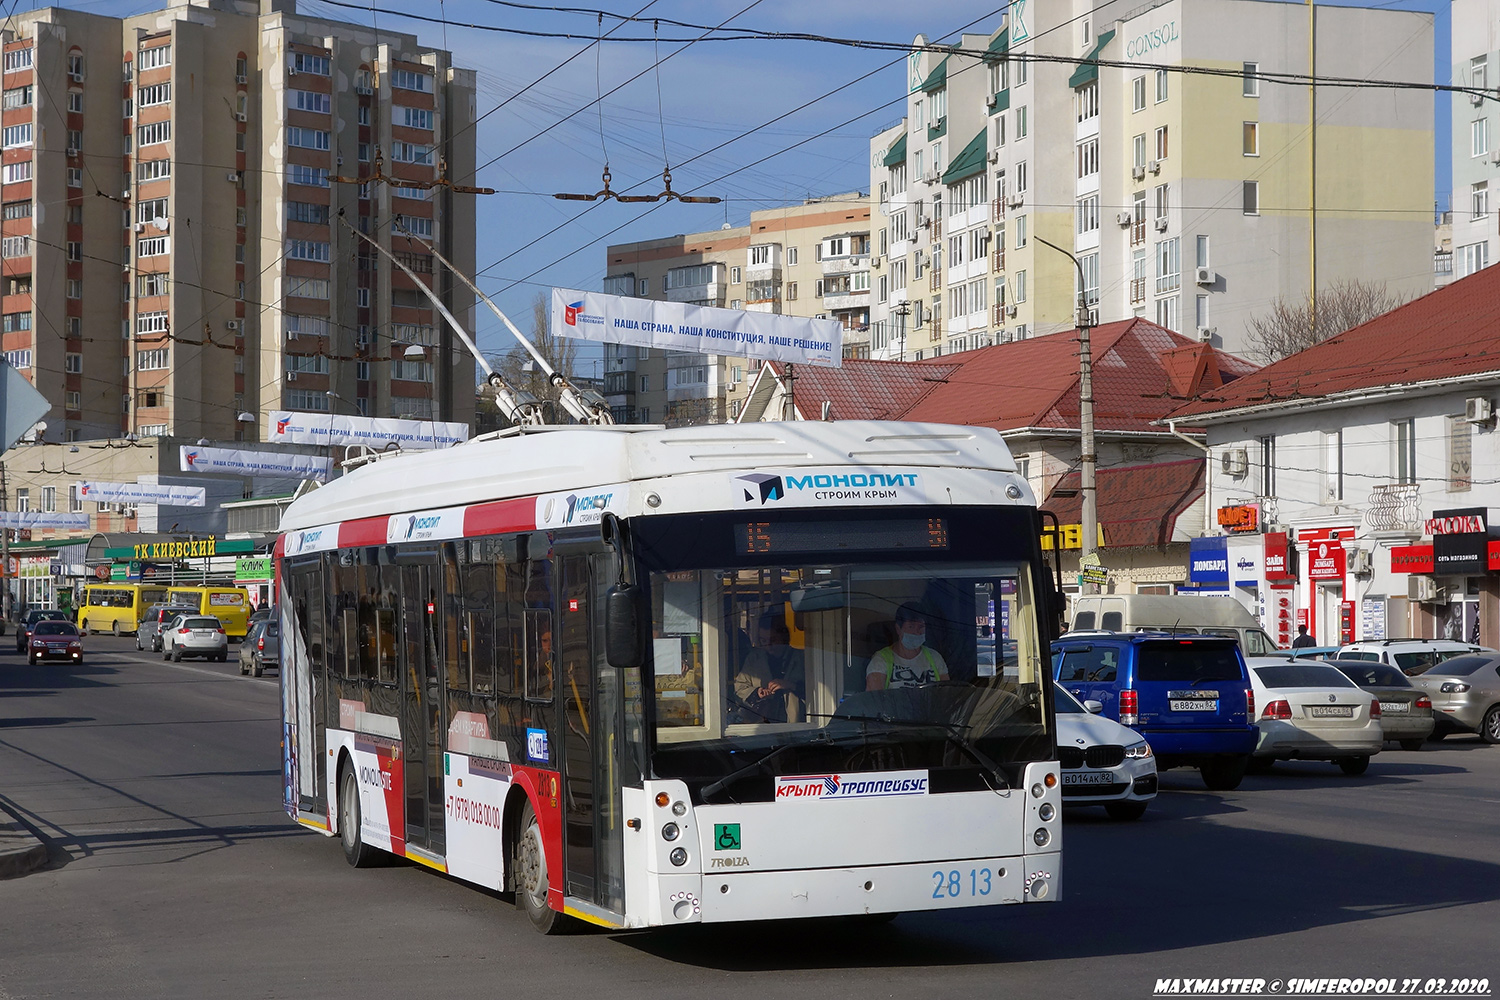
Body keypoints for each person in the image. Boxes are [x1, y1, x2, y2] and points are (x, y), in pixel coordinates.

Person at [733, 610, 805, 722]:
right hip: (763, 723)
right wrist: (756, 693)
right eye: (764, 640)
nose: (769, 646)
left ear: (784, 638)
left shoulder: (802, 658)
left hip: (797, 723)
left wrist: (791, 685)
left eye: (774, 640)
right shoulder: (754, 658)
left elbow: (818, 691)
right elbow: (739, 688)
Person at [867, 602, 949, 690]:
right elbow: (874, 698)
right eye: (911, 626)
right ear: (898, 629)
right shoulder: (881, 660)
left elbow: (946, 693)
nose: (917, 632)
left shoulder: (935, 658)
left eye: (921, 627)